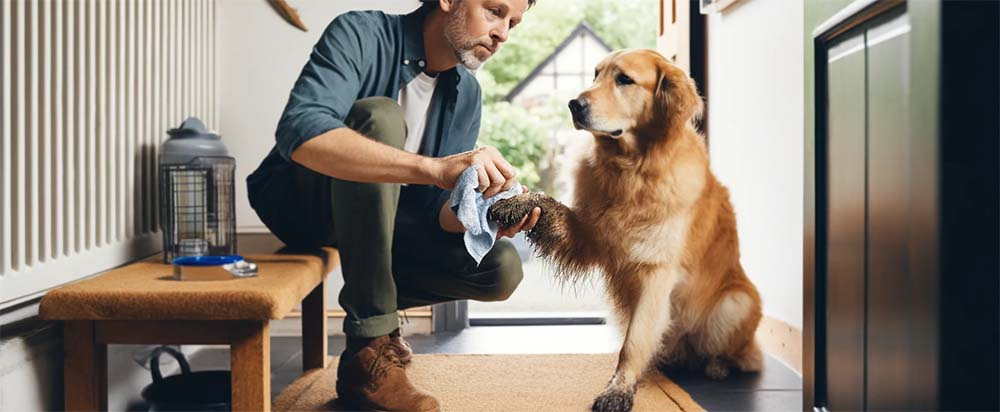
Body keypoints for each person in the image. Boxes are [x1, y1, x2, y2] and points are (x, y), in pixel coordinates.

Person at [246, 0, 538, 410]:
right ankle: (369, 345)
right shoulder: (361, 33)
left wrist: (487, 215)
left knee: (500, 268)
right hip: (303, 205)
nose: (503, 33)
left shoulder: (466, 92)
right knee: (380, 117)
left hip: (389, 222)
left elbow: (434, 208)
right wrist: (435, 168)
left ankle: (376, 319)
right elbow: (301, 130)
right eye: (494, 11)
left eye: (513, 23)